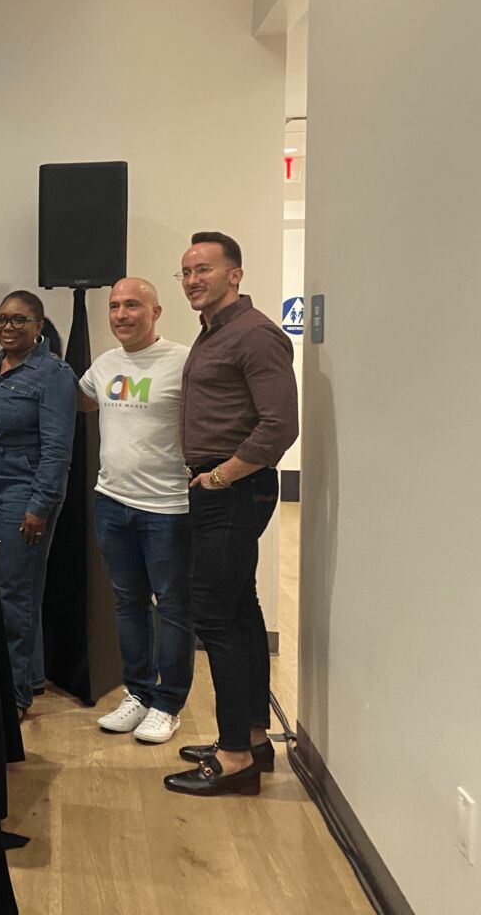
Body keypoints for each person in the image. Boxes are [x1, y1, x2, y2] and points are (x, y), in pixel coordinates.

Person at [164, 232, 297, 797]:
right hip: (222, 488)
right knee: (240, 611)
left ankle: (234, 755)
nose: (193, 280)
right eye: (186, 272)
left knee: (214, 616)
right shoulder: (214, 331)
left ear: (235, 274)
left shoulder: (255, 334)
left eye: (204, 270)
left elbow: (280, 424)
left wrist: (221, 476)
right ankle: (253, 739)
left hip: (234, 489)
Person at [78, 278, 194, 745]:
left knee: (174, 608)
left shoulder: (183, 361)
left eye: (132, 305)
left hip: (168, 507)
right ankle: (139, 694)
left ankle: (169, 704)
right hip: (112, 502)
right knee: (128, 604)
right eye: (114, 306)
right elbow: (81, 400)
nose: (121, 315)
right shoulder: (105, 364)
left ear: (156, 312)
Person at [0, 290, 76, 717]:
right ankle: (24, 677)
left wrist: (40, 505)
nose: (8, 327)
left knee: (16, 592)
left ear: (38, 326)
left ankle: (14, 697)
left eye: (19, 320)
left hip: (23, 490)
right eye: (2, 319)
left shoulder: (53, 374)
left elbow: (58, 450)